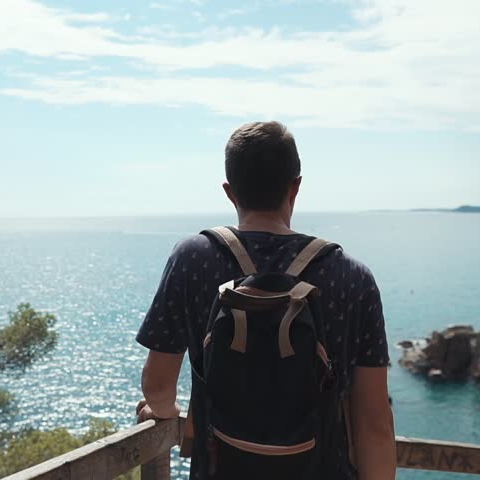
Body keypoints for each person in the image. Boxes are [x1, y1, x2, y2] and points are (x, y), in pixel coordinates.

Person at [135, 121, 396, 479]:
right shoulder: (352, 277)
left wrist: (165, 411)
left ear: (230, 192)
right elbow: (375, 425)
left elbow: (158, 387)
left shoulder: (193, 259)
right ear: (296, 187)